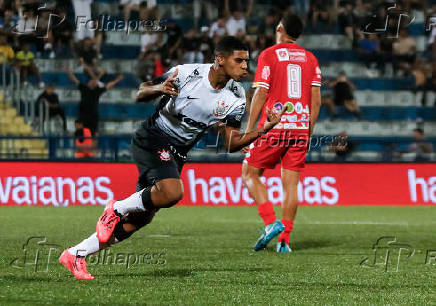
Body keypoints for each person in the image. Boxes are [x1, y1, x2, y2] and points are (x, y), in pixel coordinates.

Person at [58, 36, 285, 279]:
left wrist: (266, 128)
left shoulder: (236, 96)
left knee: (138, 220)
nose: (245, 67)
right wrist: (159, 88)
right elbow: (141, 91)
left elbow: (230, 143)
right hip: (153, 137)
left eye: (246, 62)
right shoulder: (187, 73)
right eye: (239, 60)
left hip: (178, 153)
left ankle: (75, 254)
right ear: (220, 59)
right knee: (173, 192)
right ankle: (116, 208)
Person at [241, 14, 322, 253]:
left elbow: (260, 94)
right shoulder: (310, 58)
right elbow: (316, 102)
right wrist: (309, 132)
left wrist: (249, 131)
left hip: (275, 126)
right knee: (291, 185)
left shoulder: (269, 54)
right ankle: (284, 239)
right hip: (299, 129)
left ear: (279, 28)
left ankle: (270, 224)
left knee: (250, 173)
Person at [65, 68, 124, 135]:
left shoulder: (97, 91)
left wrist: (117, 80)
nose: (93, 82)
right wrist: (69, 72)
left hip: (93, 115)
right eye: (91, 81)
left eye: (94, 82)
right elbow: (75, 80)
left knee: (93, 134)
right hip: (83, 114)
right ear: (88, 82)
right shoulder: (84, 88)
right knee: (79, 133)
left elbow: (108, 85)